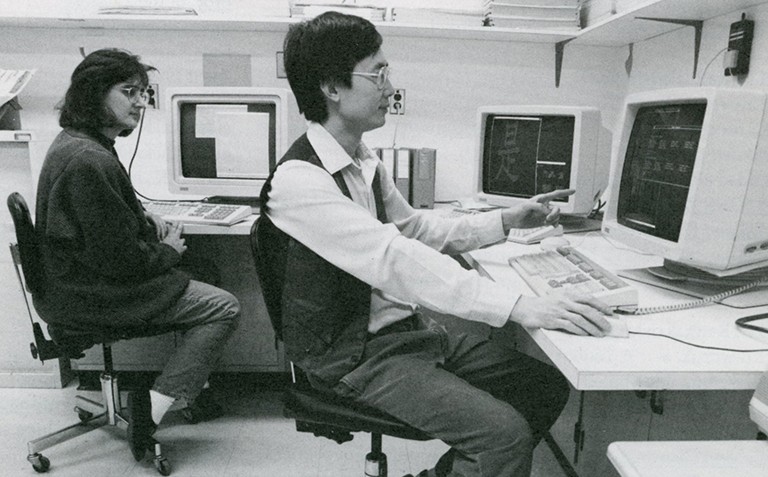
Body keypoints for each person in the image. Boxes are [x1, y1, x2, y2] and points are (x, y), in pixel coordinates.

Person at [259, 12, 615, 477]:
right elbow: (393, 258)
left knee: (541, 386)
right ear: (332, 88)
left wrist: (504, 221)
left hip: (405, 336)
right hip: (353, 356)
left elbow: (416, 230)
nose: (390, 86)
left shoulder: (362, 160)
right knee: (501, 435)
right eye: (378, 73)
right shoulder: (299, 181)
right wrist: (519, 306)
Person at [34, 49, 241, 462]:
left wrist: (142, 218)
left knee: (206, 270)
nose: (140, 102)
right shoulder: (89, 160)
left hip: (75, 285)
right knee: (225, 307)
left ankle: (188, 391)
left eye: (143, 93)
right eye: (129, 92)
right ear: (94, 94)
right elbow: (121, 264)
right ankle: (155, 405)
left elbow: (101, 226)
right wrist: (166, 250)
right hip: (92, 295)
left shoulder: (81, 144)